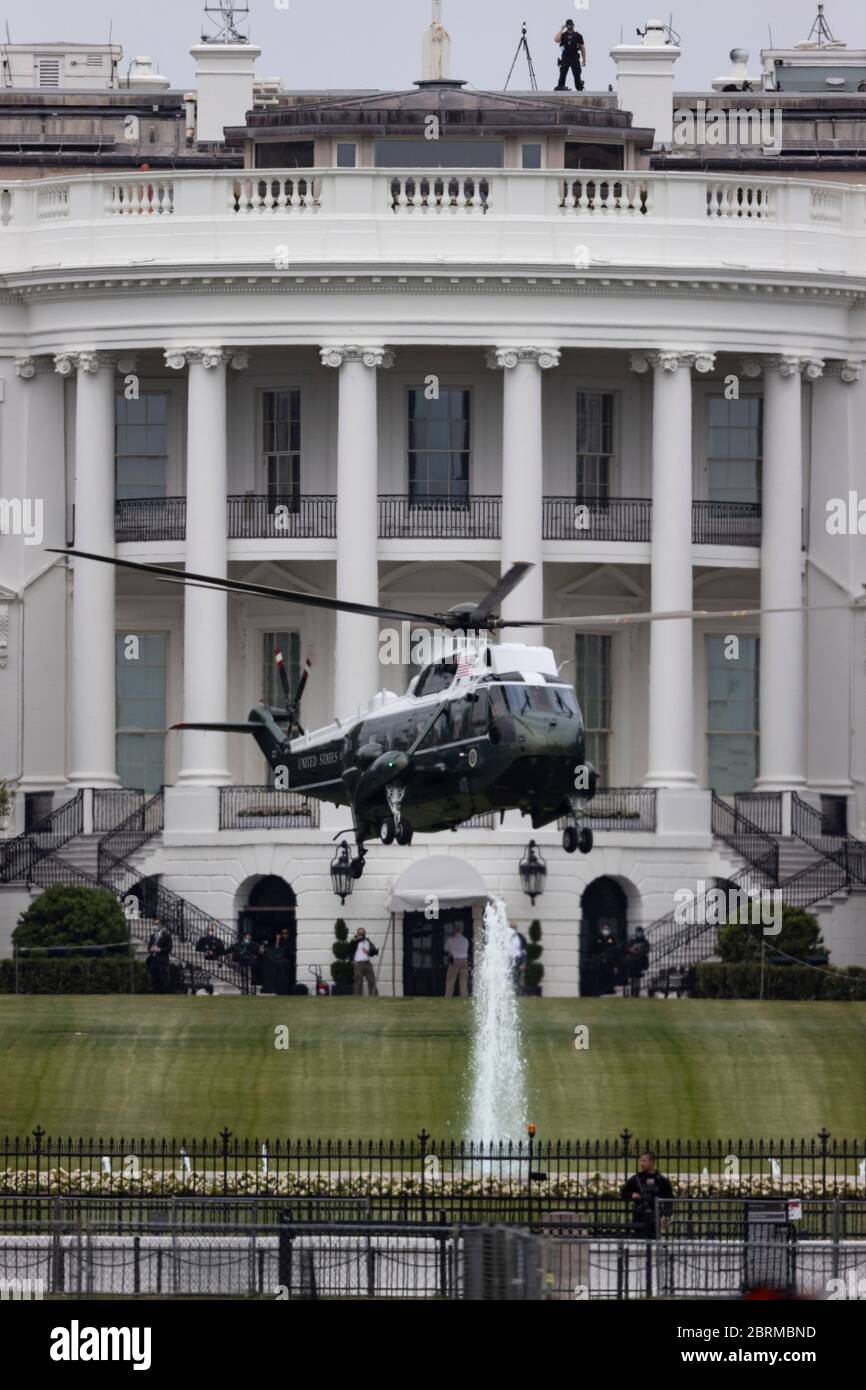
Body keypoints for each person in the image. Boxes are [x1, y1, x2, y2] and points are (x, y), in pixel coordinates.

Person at [621, 1151, 674, 1238]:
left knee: (654, 1242)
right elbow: (623, 1193)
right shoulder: (636, 1179)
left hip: (655, 1218)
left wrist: (666, 1216)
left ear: (652, 1162)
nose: (641, 1164)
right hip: (639, 1218)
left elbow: (669, 1200)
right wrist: (631, 1195)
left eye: (644, 1161)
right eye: (640, 1161)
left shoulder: (662, 1181)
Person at [554, 19, 586, 91]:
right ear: (567, 26)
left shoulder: (578, 35)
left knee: (577, 75)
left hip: (574, 57)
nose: (571, 26)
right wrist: (561, 29)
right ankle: (561, 87)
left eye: (572, 25)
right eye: (569, 25)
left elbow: (582, 48)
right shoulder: (563, 35)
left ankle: (579, 88)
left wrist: (584, 59)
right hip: (565, 58)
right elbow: (556, 40)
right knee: (562, 75)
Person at [349, 927, 379, 996]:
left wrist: (368, 952)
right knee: (358, 982)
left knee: (372, 980)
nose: (361, 934)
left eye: (362, 932)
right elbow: (350, 950)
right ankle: (358, 998)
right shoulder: (354, 941)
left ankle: (374, 997)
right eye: (359, 932)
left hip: (367, 963)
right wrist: (353, 941)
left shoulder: (367, 941)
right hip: (359, 964)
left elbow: (374, 952)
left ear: (365, 933)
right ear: (357, 933)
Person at [146, 919, 173, 994]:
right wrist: (151, 949)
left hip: (162, 960)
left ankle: (163, 992)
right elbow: (149, 947)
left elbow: (169, 948)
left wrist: (160, 949)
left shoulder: (166, 936)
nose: (155, 926)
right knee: (154, 977)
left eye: (157, 924)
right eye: (154, 924)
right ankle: (155, 992)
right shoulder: (152, 936)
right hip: (153, 959)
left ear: (161, 925)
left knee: (162, 977)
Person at [444, 924, 470, 997]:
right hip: (464, 961)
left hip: (455, 961)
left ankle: (448, 995)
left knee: (451, 980)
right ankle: (464, 995)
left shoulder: (451, 940)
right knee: (463, 980)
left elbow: (446, 949)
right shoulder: (465, 940)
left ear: (455, 931)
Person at [625, 926, 650, 997]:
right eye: (637, 932)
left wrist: (639, 951)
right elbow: (628, 949)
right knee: (633, 978)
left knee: (638, 978)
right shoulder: (632, 941)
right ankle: (632, 991)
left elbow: (647, 949)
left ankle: (637, 992)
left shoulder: (645, 941)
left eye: (640, 932)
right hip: (633, 962)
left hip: (641, 962)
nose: (638, 933)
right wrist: (632, 950)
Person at [508, 921, 528, 993]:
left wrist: (524, 963)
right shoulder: (504, 937)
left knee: (517, 978)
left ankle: (516, 993)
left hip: (517, 960)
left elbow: (524, 951)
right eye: (511, 928)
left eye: (514, 928)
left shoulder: (520, 937)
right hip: (507, 960)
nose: (513, 930)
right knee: (507, 978)